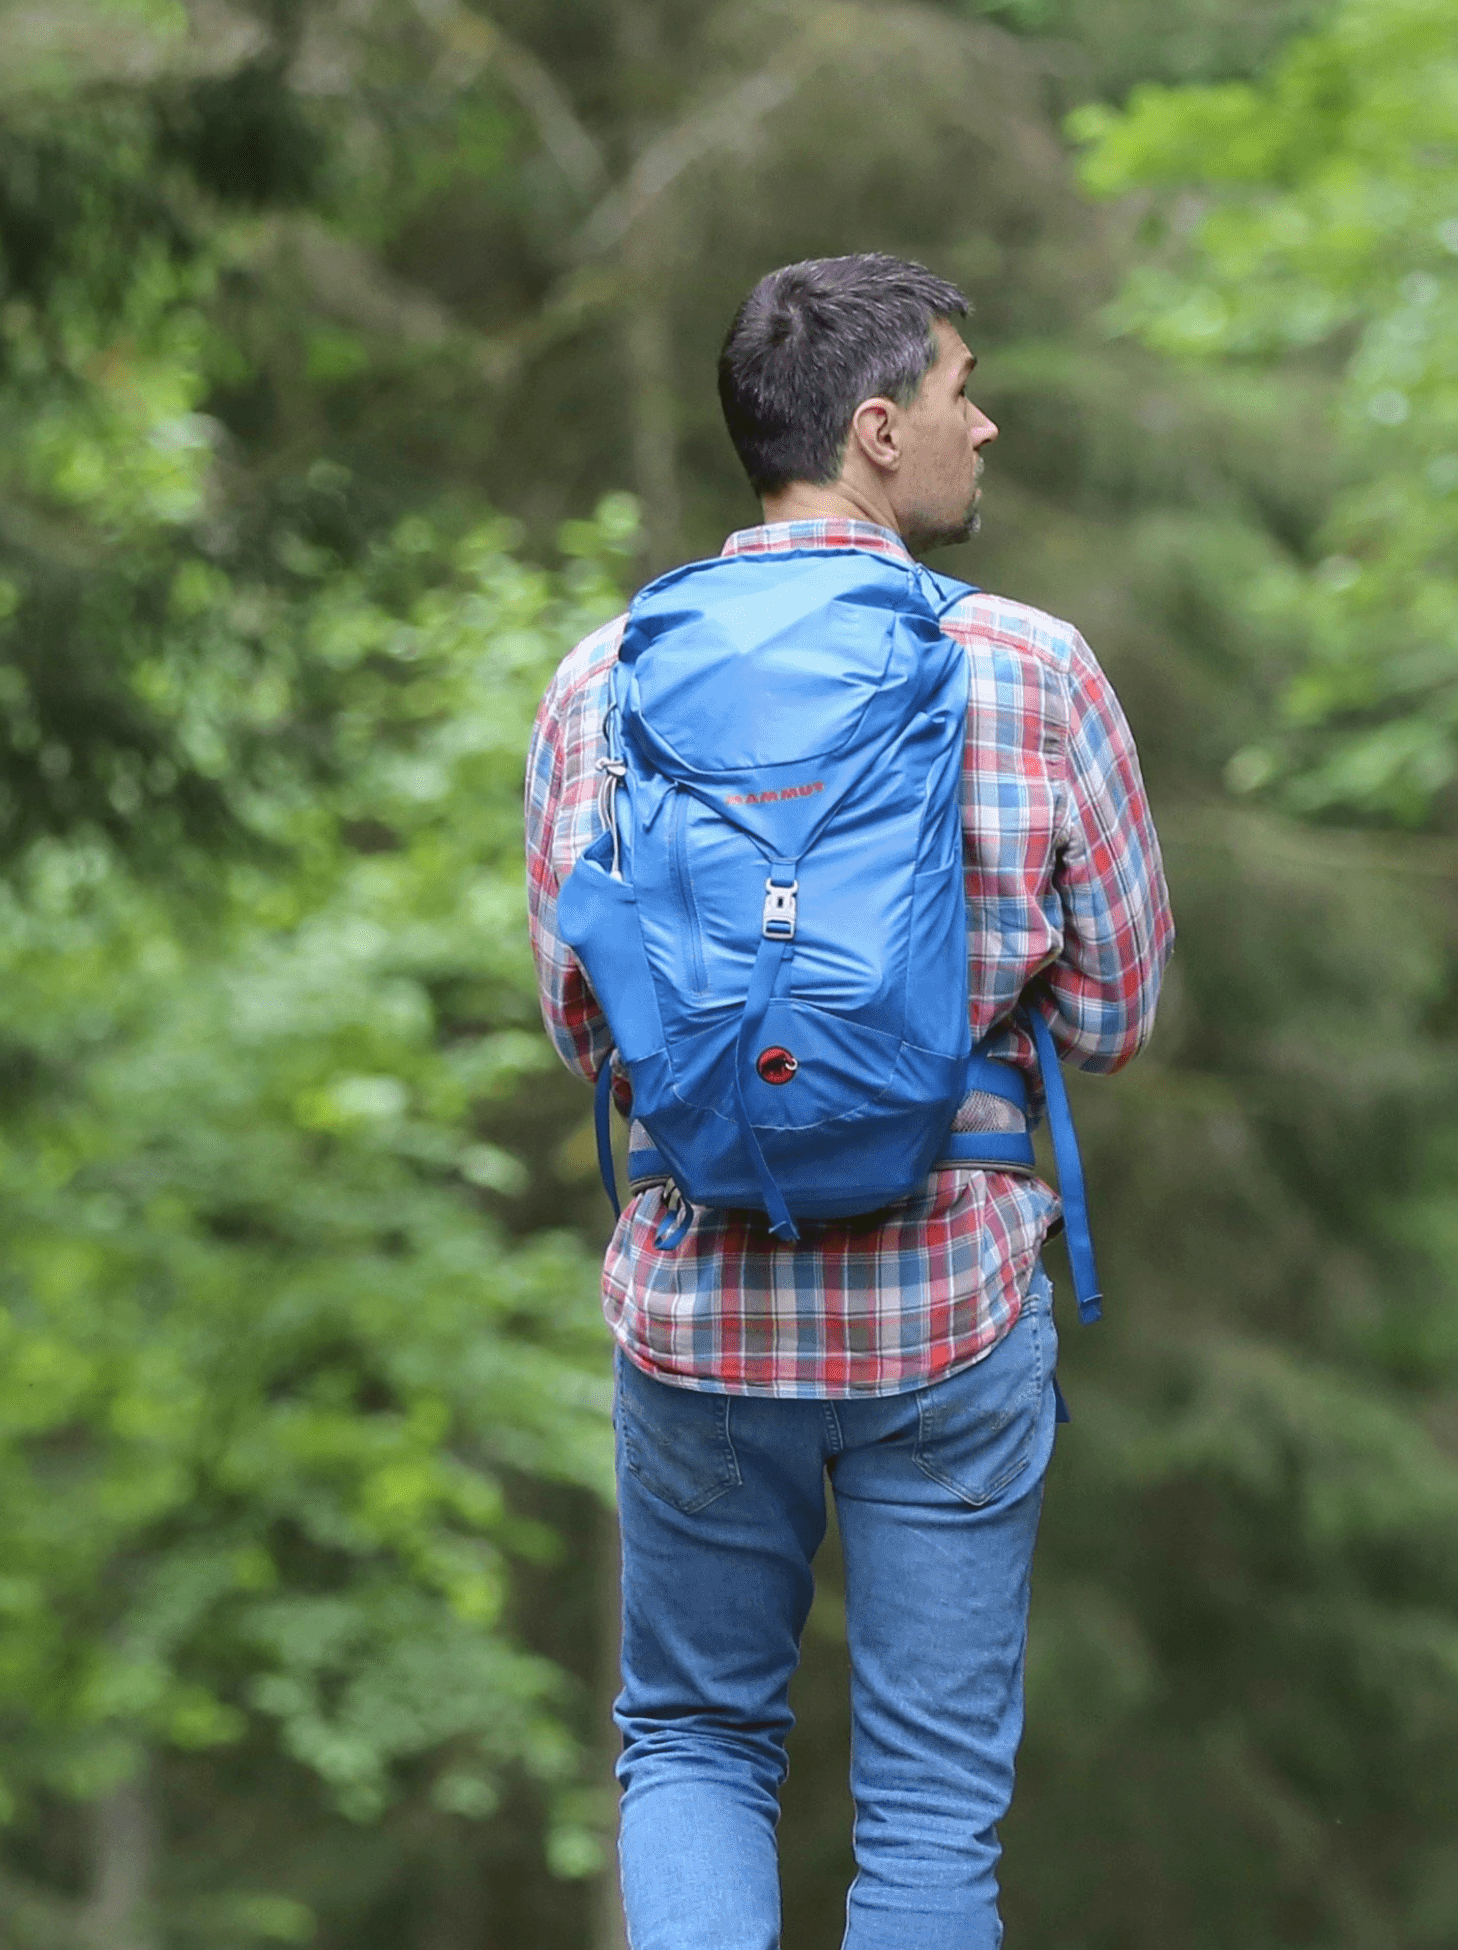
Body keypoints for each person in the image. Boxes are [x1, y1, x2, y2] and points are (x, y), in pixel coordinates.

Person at [524, 252, 1170, 1949]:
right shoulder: (1027, 668)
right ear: (877, 432)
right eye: (962, 392)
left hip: (698, 1308)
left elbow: (582, 1018)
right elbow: (1116, 1015)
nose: (987, 422)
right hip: (945, 1302)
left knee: (690, 1742)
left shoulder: (607, 678)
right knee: (933, 1808)